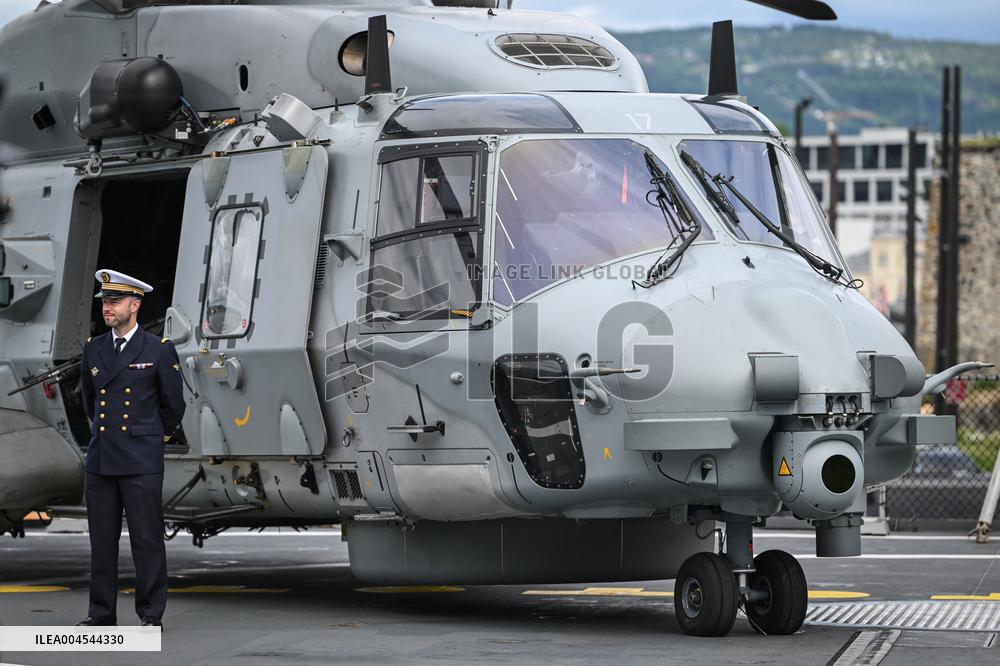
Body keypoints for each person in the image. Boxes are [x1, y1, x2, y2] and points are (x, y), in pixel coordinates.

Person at [76, 269, 185, 631]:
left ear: (135, 305)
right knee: (101, 543)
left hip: (140, 459)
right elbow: (90, 403)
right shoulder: (93, 348)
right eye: (105, 301)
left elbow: (173, 406)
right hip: (102, 458)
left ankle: (151, 614)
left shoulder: (158, 349)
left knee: (146, 540)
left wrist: (151, 436)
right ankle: (100, 615)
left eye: (115, 301)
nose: (107, 308)